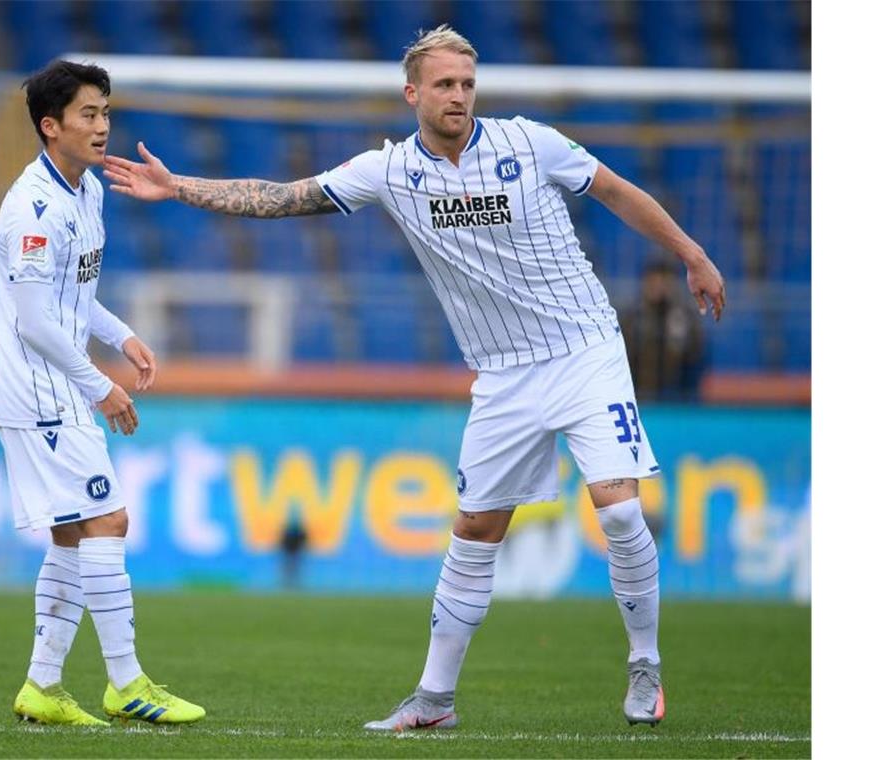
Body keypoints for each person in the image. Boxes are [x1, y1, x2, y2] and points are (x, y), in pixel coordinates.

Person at [104, 25, 725, 731]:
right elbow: (282, 196)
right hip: (502, 375)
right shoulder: (390, 171)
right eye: (444, 85)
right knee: (475, 532)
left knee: (618, 510)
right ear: (413, 93)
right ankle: (433, 700)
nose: (459, 96)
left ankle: (644, 667)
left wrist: (691, 251)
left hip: (585, 350)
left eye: (467, 84)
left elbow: (615, 190)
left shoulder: (531, 143)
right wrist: (178, 186)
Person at [0, 59, 204, 726]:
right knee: (109, 522)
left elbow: (72, 298)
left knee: (73, 535)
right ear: (51, 127)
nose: (102, 125)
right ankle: (126, 683)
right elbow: (33, 319)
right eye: (88, 114)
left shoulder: (88, 191)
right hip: (41, 391)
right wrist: (99, 383)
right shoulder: (32, 208)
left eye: (105, 112)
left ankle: (42, 688)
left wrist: (122, 335)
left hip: (58, 384)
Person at [621, 257, 706, 400]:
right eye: (654, 281)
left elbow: (695, 353)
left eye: (664, 282)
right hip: (638, 394)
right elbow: (625, 355)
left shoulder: (684, 316)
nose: (659, 287)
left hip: (677, 395)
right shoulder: (632, 316)